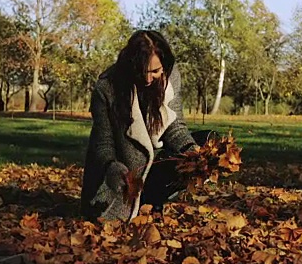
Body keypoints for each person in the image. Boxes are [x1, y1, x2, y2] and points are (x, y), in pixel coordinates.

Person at [80, 30, 216, 222]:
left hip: (153, 163)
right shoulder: (107, 88)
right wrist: (114, 169)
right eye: (142, 71)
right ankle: (140, 201)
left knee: (207, 141)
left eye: (155, 71)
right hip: (120, 175)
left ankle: (153, 199)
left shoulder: (171, 76)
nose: (148, 79)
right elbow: (102, 145)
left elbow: (175, 126)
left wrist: (192, 152)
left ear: (165, 66)